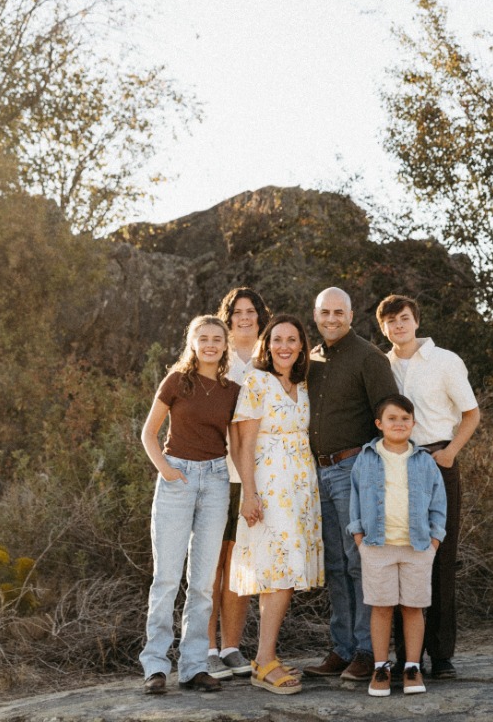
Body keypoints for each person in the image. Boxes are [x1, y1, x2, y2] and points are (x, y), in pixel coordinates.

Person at [376, 294, 480, 680]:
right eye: (390, 322)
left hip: (438, 460)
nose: (398, 326)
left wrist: (451, 452)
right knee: (404, 555)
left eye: (403, 318)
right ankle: (408, 656)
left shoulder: (445, 361)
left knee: (440, 556)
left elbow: (471, 412)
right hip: (397, 464)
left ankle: (442, 655)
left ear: (416, 320)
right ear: (383, 328)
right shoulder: (381, 364)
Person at [139, 316, 240, 695]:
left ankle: (195, 666)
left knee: (202, 583)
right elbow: (149, 432)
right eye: (204, 339)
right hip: (177, 478)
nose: (211, 345)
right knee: (166, 578)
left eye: (217, 339)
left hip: (216, 481)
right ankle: (155, 665)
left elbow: (238, 442)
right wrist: (166, 470)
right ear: (192, 342)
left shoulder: (232, 389)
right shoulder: (177, 380)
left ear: (225, 345)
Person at [304, 287, 398, 682]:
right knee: (336, 563)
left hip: (354, 469)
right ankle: (341, 648)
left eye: (338, 312)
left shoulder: (369, 358)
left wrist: (376, 471)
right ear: (316, 315)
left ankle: (367, 650)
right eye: (324, 312)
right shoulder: (312, 360)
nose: (331, 319)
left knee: (360, 562)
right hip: (317, 473)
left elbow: (392, 415)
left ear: (351, 314)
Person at [231, 314, 324, 695]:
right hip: (270, 487)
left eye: (292, 340)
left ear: (302, 346)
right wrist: (249, 493)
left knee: (286, 569)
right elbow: (243, 445)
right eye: (277, 339)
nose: (284, 346)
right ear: (267, 345)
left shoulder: (301, 384)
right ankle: (264, 661)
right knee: (277, 571)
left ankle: (264, 657)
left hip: (301, 487)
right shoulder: (256, 381)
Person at [348, 394, 447, 697]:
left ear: (413, 423)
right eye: (392, 418)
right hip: (378, 547)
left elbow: (438, 502)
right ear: (379, 424)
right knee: (381, 608)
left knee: (413, 608)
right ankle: (381, 667)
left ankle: (412, 668)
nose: (399, 423)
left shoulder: (424, 462)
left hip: (416, 547)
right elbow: (354, 501)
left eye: (405, 418)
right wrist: (360, 540)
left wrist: (433, 541)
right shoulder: (366, 459)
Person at [207, 287, 271, 680]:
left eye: (251, 311)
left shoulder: (271, 357)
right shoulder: (217, 357)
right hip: (217, 474)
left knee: (241, 567)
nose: (244, 318)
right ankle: (207, 648)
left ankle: (231, 646)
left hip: (260, 477)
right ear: (227, 318)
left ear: (260, 316)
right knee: (211, 565)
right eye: (237, 312)